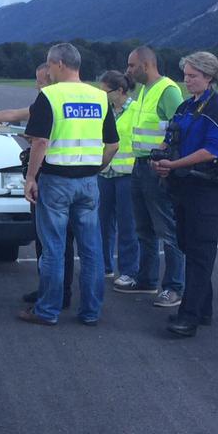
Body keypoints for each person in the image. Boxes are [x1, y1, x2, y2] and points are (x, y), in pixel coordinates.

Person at [18, 43, 119, 326]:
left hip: (56, 181)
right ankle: (90, 312)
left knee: (53, 250)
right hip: (88, 182)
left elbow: (40, 141)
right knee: (91, 251)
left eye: (49, 66)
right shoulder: (100, 97)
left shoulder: (49, 96)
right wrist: (94, 167)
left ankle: (48, 310)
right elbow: (112, 144)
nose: (47, 71)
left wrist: (30, 178)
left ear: (60, 64)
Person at [0, 64, 75, 308]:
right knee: (56, 240)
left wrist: (31, 176)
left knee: (52, 241)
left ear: (53, 77)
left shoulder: (51, 101)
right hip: (71, 178)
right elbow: (17, 114)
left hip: (51, 177)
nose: (38, 86)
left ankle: (54, 296)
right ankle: (55, 291)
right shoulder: (51, 101)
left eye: (41, 82)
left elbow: (43, 140)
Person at [156, 52, 218, 338]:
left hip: (205, 187)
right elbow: (172, 138)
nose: (187, 80)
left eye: (193, 76)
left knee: (201, 251)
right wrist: (162, 159)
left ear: (210, 77)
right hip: (183, 185)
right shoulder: (186, 107)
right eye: (186, 75)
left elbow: (212, 149)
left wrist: (174, 164)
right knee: (188, 245)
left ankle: (188, 315)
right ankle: (204, 308)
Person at [121, 45, 187, 307]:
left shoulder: (167, 90)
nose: (128, 70)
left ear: (146, 66)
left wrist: (166, 160)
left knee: (167, 228)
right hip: (139, 165)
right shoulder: (145, 91)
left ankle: (173, 286)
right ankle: (147, 279)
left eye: (131, 65)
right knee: (144, 227)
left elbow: (181, 129)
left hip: (157, 168)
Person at [96, 71, 140, 286]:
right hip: (104, 172)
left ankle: (129, 270)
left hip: (126, 174)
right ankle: (103, 265)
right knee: (102, 222)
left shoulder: (136, 110)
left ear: (120, 91)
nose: (101, 95)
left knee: (127, 224)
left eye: (105, 91)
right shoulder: (103, 111)